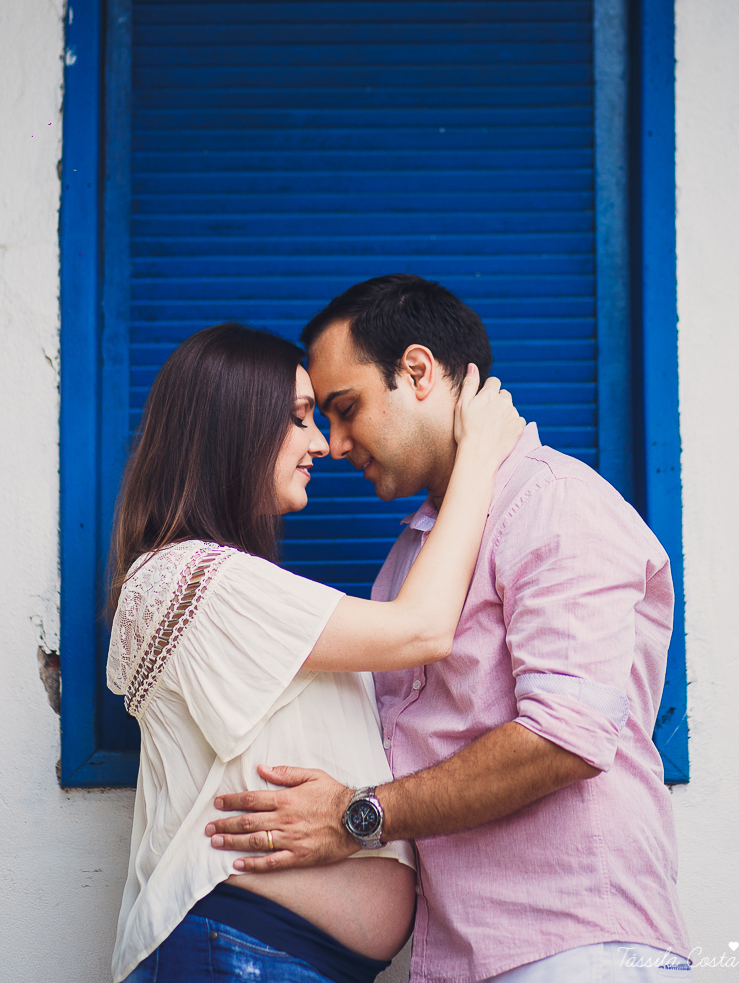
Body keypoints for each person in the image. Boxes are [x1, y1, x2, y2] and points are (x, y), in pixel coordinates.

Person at [206, 276, 692, 983]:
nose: (335, 445)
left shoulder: (555, 503)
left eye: (347, 409)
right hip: (462, 955)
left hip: (573, 948)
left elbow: (565, 739)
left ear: (418, 371)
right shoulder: (414, 555)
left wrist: (353, 817)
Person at [105, 321, 524, 983]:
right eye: (300, 418)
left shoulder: (226, 585)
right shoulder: (189, 578)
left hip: (268, 955)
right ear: (234, 426)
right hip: (237, 952)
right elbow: (420, 628)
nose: (323, 445)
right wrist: (476, 457)